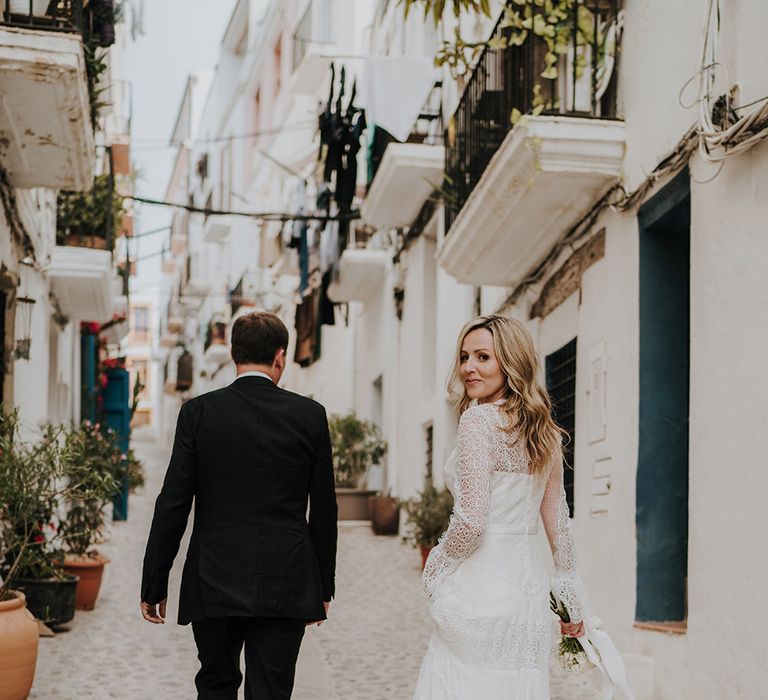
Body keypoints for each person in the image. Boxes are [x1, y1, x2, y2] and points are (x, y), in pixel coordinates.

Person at [140, 311, 337, 700]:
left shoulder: (198, 413)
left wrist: (154, 581)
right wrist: (321, 587)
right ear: (280, 357)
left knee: (215, 685)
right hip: (286, 583)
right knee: (271, 691)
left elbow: (173, 503)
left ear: (233, 356)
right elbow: (325, 509)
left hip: (214, 579)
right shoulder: (310, 416)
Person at [413, 314, 592, 699]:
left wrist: (437, 566)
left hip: (481, 582)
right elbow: (557, 521)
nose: (468, 368)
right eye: (464, 357)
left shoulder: (478, 421)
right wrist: (568, 597)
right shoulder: (544, 432)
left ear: (510, 362)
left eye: (482, 357)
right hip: (526, 591)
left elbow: (473, 520)